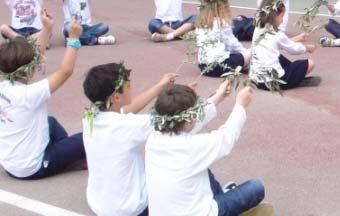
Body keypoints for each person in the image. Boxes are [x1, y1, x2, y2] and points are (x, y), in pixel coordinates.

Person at [145, 83, 267, 216]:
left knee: (204, 167)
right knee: (256, 187)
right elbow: (225, 137)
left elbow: (190, 124)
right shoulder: (191, 147)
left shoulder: (154, 138)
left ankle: (223, 196)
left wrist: (218, 96)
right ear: (188, 119)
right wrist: (240, 105)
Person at [82, 63, 177, 216]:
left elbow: (125, 110)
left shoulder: (89, 116)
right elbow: (170, 119)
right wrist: (187, 97)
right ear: (117, 97)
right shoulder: (128, 125)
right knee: (180, 164)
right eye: (128, 86)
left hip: (99, 203)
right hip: (131, 209)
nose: (130, 87)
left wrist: (160, 86)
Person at [0, 13, 86, 180]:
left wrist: (47, 29)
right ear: (31, 68)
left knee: (50, 122)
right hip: (34, 167)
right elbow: (65, 72)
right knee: (88, 137)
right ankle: (63, 160)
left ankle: (63, 154)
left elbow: (34, 57)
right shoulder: (29, 94)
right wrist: (73, 39)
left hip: (10, 165)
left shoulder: (5, 85)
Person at [250, 0, 316, 89]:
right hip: (274, 81)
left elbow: (278, 44)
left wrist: (297, 38)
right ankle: (294, 79)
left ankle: (294, 76)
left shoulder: (257, 29)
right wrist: (307, 48)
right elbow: (293, 50)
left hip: (256, 80)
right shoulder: (278, 34)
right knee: (310, 63)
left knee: (276, 56)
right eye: (281, 16)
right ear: (274, 16)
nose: (282, 20)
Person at [196, 0, 250, 77]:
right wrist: (245, 53)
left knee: (236, 55)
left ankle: (243, 66)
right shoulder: (221, 23)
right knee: (252, 53)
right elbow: (232, 45)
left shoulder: (201, 23)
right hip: (220, 66)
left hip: (203, 66)